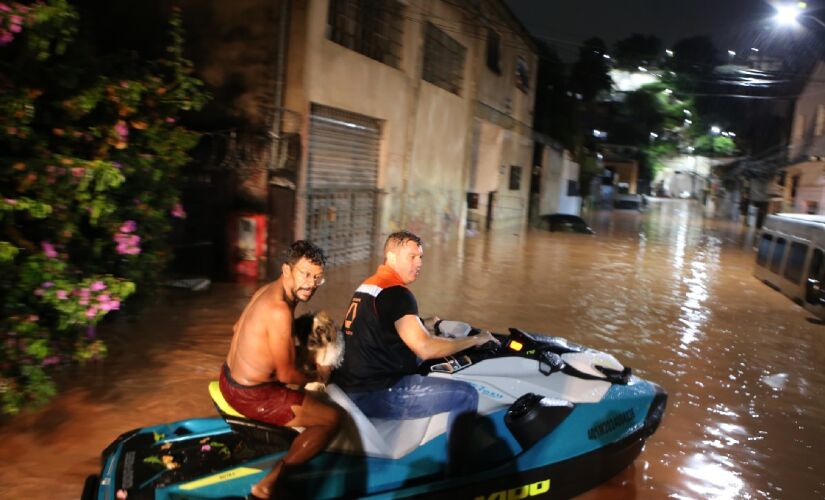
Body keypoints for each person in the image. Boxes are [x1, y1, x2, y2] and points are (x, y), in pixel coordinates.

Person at [332, 230, 498, 449]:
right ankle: (457, 472)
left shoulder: (368, 287)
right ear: (391, 257)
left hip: (351, 385)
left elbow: (381, 325)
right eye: (412, 257)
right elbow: (425, 348)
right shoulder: (398, 294)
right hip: (378, 391)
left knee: (421, 366)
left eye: (420, 257)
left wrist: (426, 323)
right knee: (465, 394)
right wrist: (476, 339)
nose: (418, 263)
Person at [221, 240, 341, 499]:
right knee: (331, 419)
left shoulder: (267, 290)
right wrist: (316, 374)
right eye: (305, 274)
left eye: (317, 278)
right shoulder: (279, 310)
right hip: (251, 394)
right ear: (287, 270)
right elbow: (287, 376)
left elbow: (235, 328)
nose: (310, 283)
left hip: (227, 377)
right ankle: (272, 481)